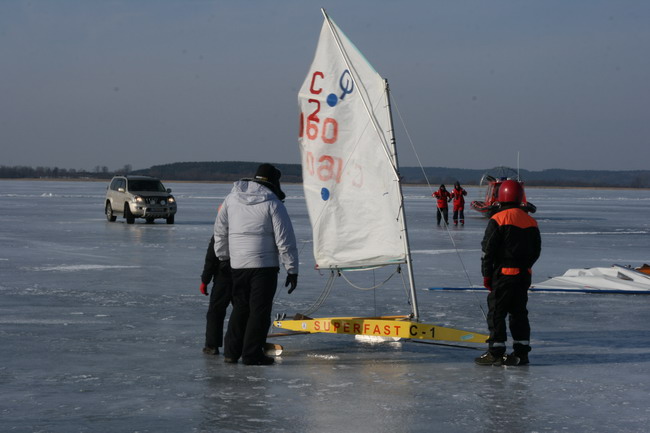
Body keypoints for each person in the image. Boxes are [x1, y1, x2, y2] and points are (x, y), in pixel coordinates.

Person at [214, 163, 299, 366]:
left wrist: (223, 257)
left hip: (238, 264)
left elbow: (220, 231)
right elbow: (284, 240)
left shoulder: (231, 199)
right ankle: (252, 354)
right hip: (264, 266)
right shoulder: (273, 203)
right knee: (259, 311)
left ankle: (231, 352)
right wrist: (292, 269)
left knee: (240, 308)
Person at [475, 180, 541, 366]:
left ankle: (495, 352)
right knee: (519, 314)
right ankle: (521, 354)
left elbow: (487, 250)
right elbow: (536, 250)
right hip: (523, 276)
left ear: (501, 196)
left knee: (496, 313)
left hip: (503, 276)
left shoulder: (498, 219)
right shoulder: (531, 221)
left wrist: (487, 275)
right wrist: (525, 266)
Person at [199, 235, 232, 355]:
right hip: (244, 275)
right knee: (242, 312)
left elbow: (211, 259)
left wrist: (205, 281)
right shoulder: (246, 230)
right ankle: (238, 345)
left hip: (223, 277)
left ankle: (212, 345)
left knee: (216, 311)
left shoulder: (220, 233)